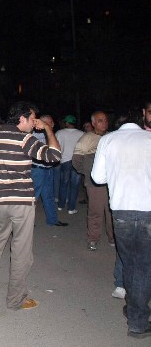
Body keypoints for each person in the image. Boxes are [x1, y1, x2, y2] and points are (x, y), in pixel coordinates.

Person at [0, 101, 61, 310]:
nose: (34, 124)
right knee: (21, 252)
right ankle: (15, 300)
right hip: (22, 204)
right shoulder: (25, 139)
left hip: (0, 203)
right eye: (32, 119)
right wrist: (48, 129)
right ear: (21, 118)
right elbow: (55, 156)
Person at [91, 108, 151, 339]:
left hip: (122, 209)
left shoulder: (108, 140)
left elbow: (98, 177)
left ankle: (135, 308)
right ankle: (138, 319)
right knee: (143, 265)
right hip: (147, 209)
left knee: (130, 262)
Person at [72, 111, 112, 252]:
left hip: (112, 182)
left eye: (105, 120)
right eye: (100, 120)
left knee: (112, 211)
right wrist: (89, 174)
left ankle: (113, 237)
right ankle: (93, 239)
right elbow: (76, 161)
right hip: (95, 183)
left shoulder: (111, 137)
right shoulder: (86, 138)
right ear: (93, 123)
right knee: (96, 211)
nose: (104, 123)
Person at [31, 115, 67, 227]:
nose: (52, 124)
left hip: (48, 169)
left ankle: (52, 220)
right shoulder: (33, 135)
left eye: (51, 123)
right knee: (33, 197)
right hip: (37, 170)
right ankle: (27, 222)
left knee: (49, 196)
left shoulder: (51, 135)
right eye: (49, 122)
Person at [56, 115, 84, 214]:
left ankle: (61, 205)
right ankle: (71, 208)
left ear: (67, 123)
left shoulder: (59, 133)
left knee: (63, 184)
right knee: (75, 186)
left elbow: (56, 147)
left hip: (64, 161)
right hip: (77, 161)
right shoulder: (82, 133)